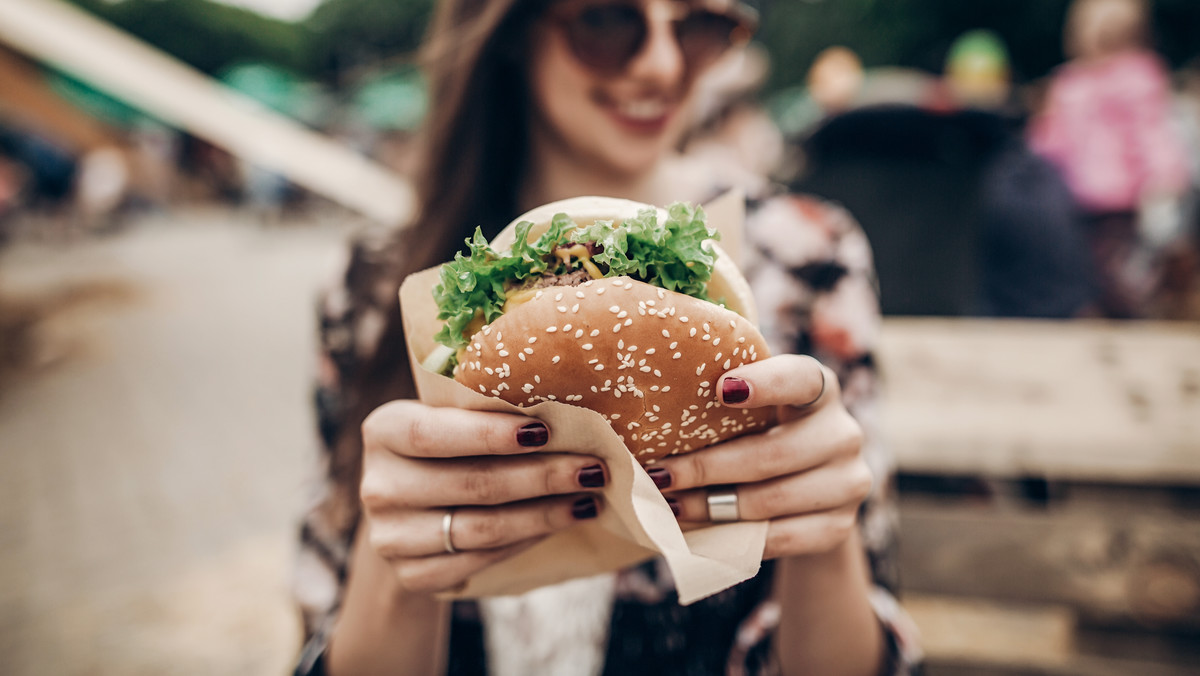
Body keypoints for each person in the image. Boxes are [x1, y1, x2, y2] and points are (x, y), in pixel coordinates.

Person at [292, 1, 922, 674]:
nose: (662, 65)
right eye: (607, 22)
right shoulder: (373, 288)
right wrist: (397, 566)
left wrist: (822, 532)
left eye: (699, 28)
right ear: (507, 32)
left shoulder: (806, 258)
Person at [1027, 0, 1191, 317]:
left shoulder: (1088, 82)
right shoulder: (1090, 82)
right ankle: (1113, 311)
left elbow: (1050, 142)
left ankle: (1121, 313)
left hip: (1103, 195)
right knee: (1104, 266)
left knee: (1112, 267)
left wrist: (1165, 177)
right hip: (1093, 195)